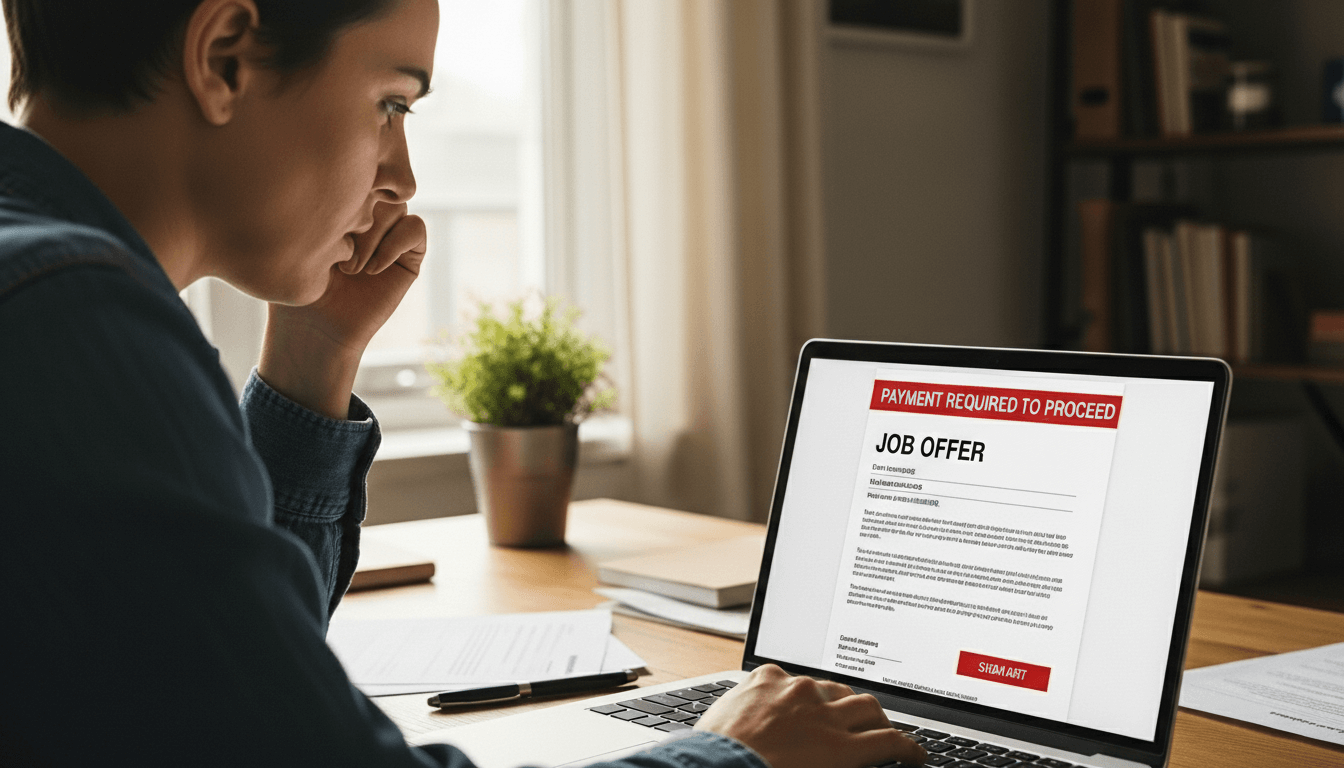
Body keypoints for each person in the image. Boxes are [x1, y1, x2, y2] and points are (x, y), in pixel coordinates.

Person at [0, 1, 927, 766]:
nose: (400, 178)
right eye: (391, 104)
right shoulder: (70, 326)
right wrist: (735, 756)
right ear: (226, 58)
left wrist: (314, 356)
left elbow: (231, 688)